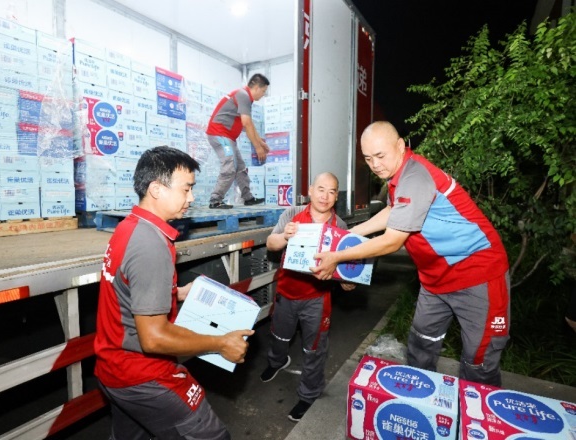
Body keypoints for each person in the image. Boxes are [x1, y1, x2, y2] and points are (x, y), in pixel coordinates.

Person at [311, 121, 511, 386]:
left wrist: (337, 257)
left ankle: (474, 410)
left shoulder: (415, 176)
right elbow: (391, 211)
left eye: (380, 156)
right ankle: (422, 401)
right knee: (421, 345)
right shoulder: (399, 176)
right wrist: (350, 234)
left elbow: (392, 241)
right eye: (368, 159)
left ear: (400, 145)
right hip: (435, 278)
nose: (375, 165)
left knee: (479, 362)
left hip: (476, 275)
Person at [94, 146, 254, 439]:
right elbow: (153, 338)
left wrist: (173, 293)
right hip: (144, 375)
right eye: (186, 189)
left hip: (113, 370)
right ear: (156, 189)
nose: (191, 198)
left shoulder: (129, 228)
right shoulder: (150, 245)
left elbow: (126, 290)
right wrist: (220, 343)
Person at [260, 172, 356, 422]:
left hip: (317, 298)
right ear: (310, 191)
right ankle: (277, 361)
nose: (325, 196)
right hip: (286, 292)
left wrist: (347, 281)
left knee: (314, 349)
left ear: (336, 197)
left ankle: (309, 395)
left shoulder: (340, 227)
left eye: (332, 191)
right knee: (279, 335)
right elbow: (271, 243)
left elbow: (345, 266)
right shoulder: (292, 214)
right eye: (321, 189)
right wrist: (285, 236)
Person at [206, 73, 271, 209]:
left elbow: (249, 124)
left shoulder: (244, 97)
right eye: (263, 91)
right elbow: (246, 123)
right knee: (230, 166)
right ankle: (215, 200)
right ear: (257, 88)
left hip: (228, 137)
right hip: (220, 134)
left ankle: (248, 198)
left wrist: (260, 142)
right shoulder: (243, 95)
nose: (263, 95)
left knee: (240, 167)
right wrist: (257, 147)